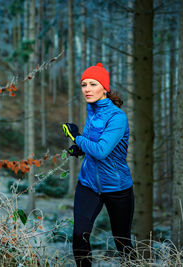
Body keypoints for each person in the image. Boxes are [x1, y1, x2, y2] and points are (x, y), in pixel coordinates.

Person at [62, 62, 135, 267]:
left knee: (123, 243)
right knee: (79, 236)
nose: (87, 89)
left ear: (104, 88)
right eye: (84, 84)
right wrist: (82, 148)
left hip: (117, 188)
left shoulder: (117, 117)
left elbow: (102, 151)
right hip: (88, 185)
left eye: (93, 84)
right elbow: (94, 141)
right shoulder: (91, 109)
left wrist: (76, 138)